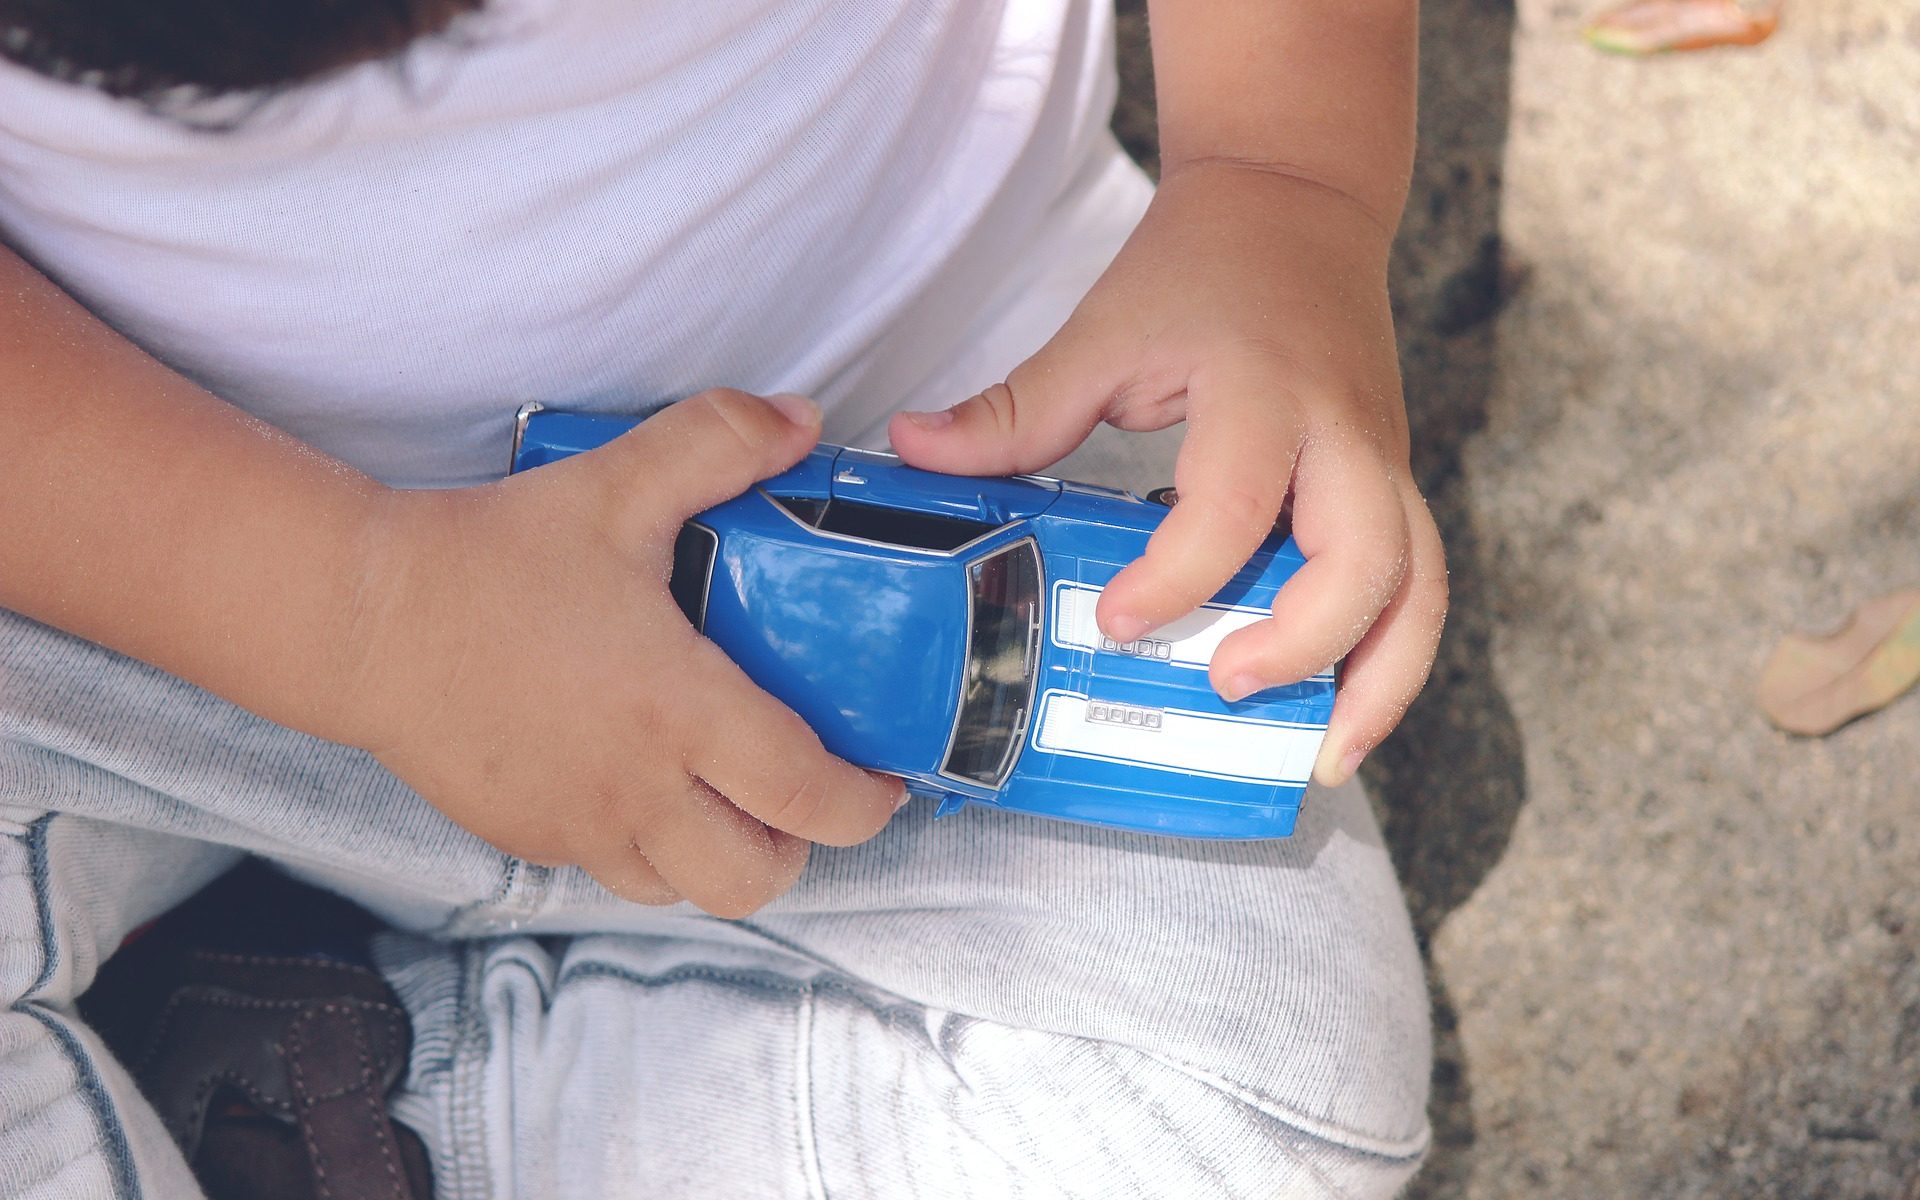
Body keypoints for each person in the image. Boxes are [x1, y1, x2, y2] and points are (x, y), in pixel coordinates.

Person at [0, 1, 1446, 1196]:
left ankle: (313, 1097)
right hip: (153, 574)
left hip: (947, 428)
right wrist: (359, 613)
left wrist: (1281, 186)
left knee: (1250, 1113)